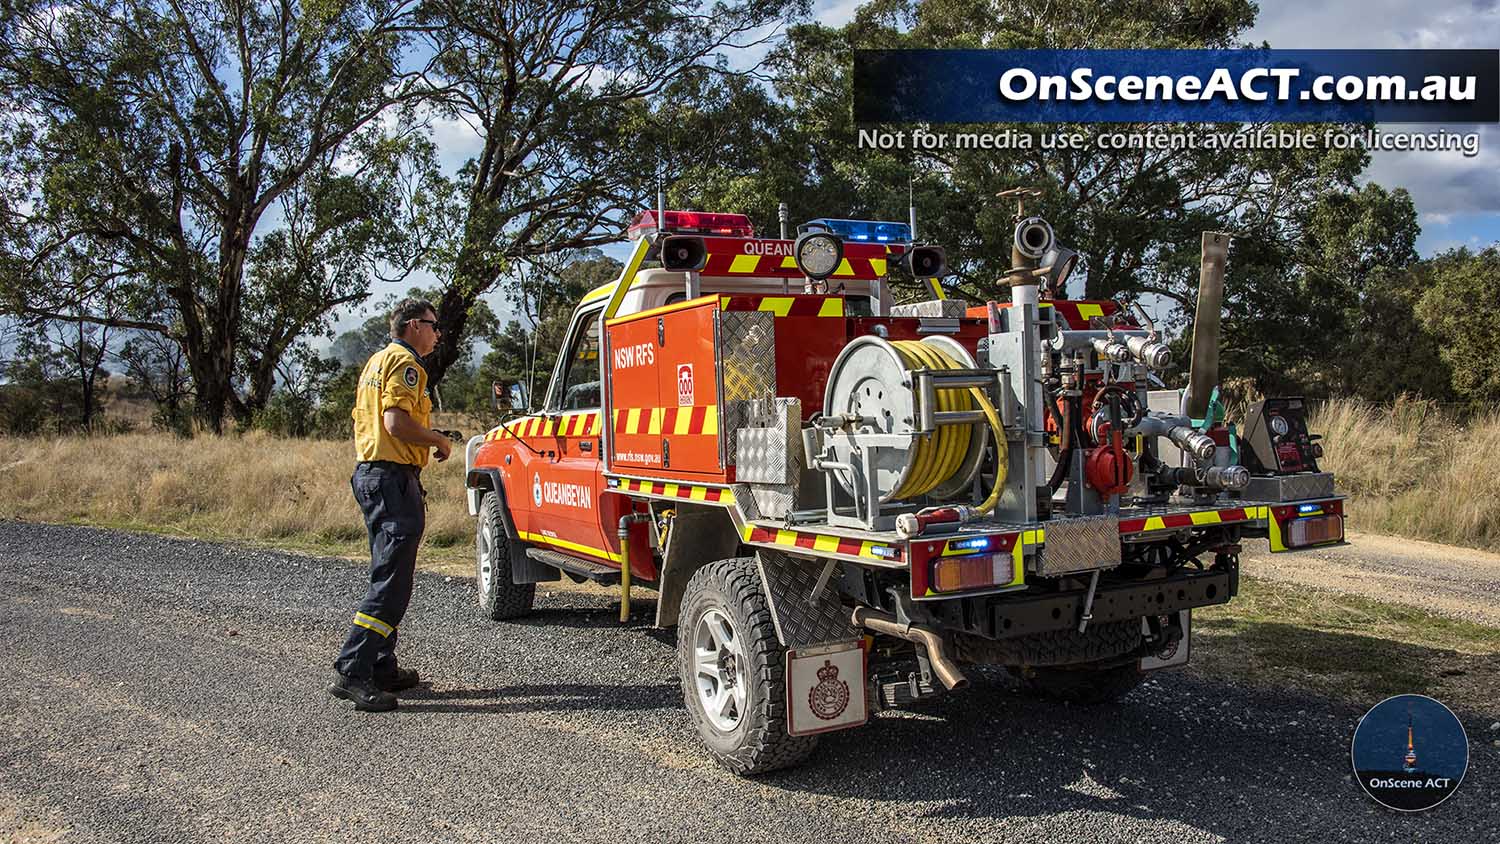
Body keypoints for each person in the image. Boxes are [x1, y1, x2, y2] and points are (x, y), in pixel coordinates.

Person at [328, 298, 453, 712]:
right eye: (434, 326)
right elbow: (396, 423)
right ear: (415, 325)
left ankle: (382, 665)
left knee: (386, 572)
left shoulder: (376, 361)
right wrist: (436, 439)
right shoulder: (407, 364)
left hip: (371, 476)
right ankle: (354, 668)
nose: (438, 334)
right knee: (393, 584)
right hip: (392, 480)